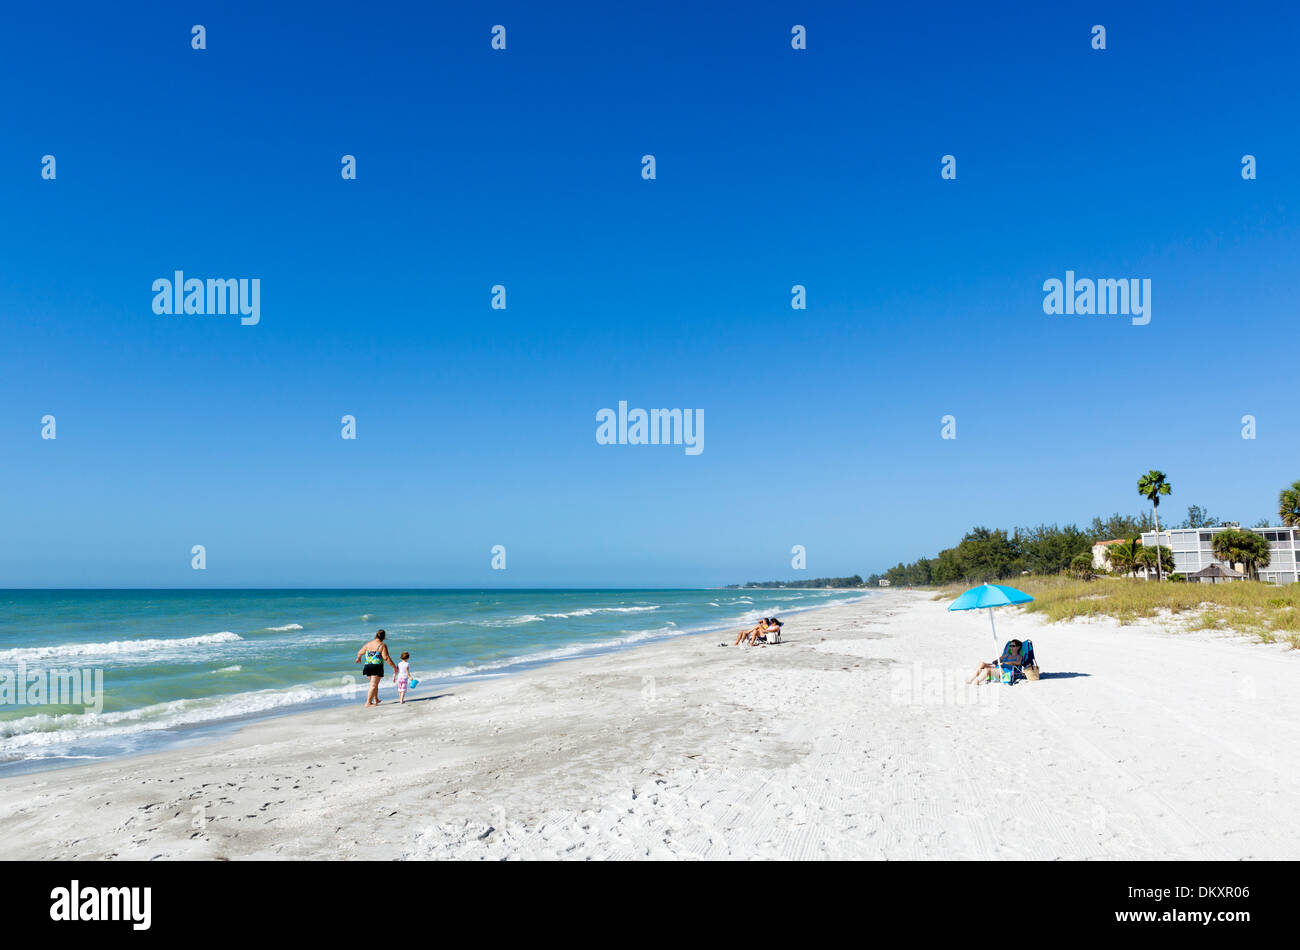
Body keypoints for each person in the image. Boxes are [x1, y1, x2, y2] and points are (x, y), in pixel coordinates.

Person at [355, 629, 398, 706]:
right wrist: (394, 667)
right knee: (373, 685)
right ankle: (368, 702)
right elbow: (386, 658)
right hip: (376, 667)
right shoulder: (382, 645)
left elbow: (360, 652)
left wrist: (358, 658)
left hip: (367, 666)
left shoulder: (368, 644)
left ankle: (376, 699)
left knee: (374, 684)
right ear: (384, 637)